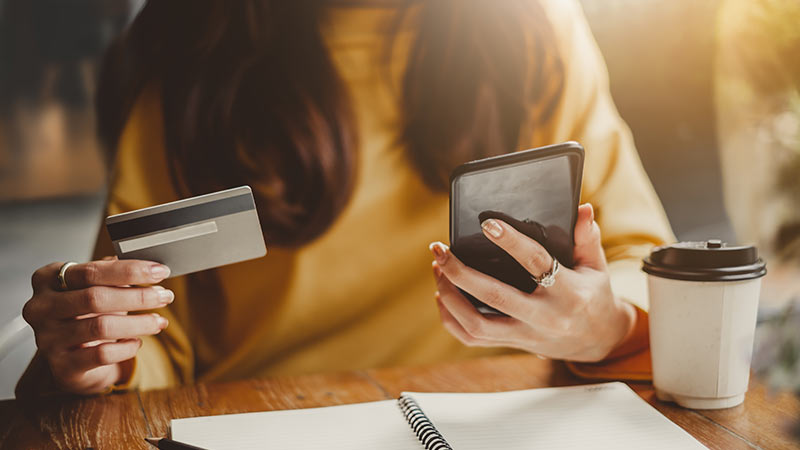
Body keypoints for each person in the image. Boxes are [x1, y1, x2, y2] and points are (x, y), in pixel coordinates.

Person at [18, 0, 673, 397]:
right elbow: (155, 335)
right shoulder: (187, 65)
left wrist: (604, 327)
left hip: (502, 413)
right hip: (250, 418)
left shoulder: (538, 34)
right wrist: (104, 353)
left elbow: (641, 261)